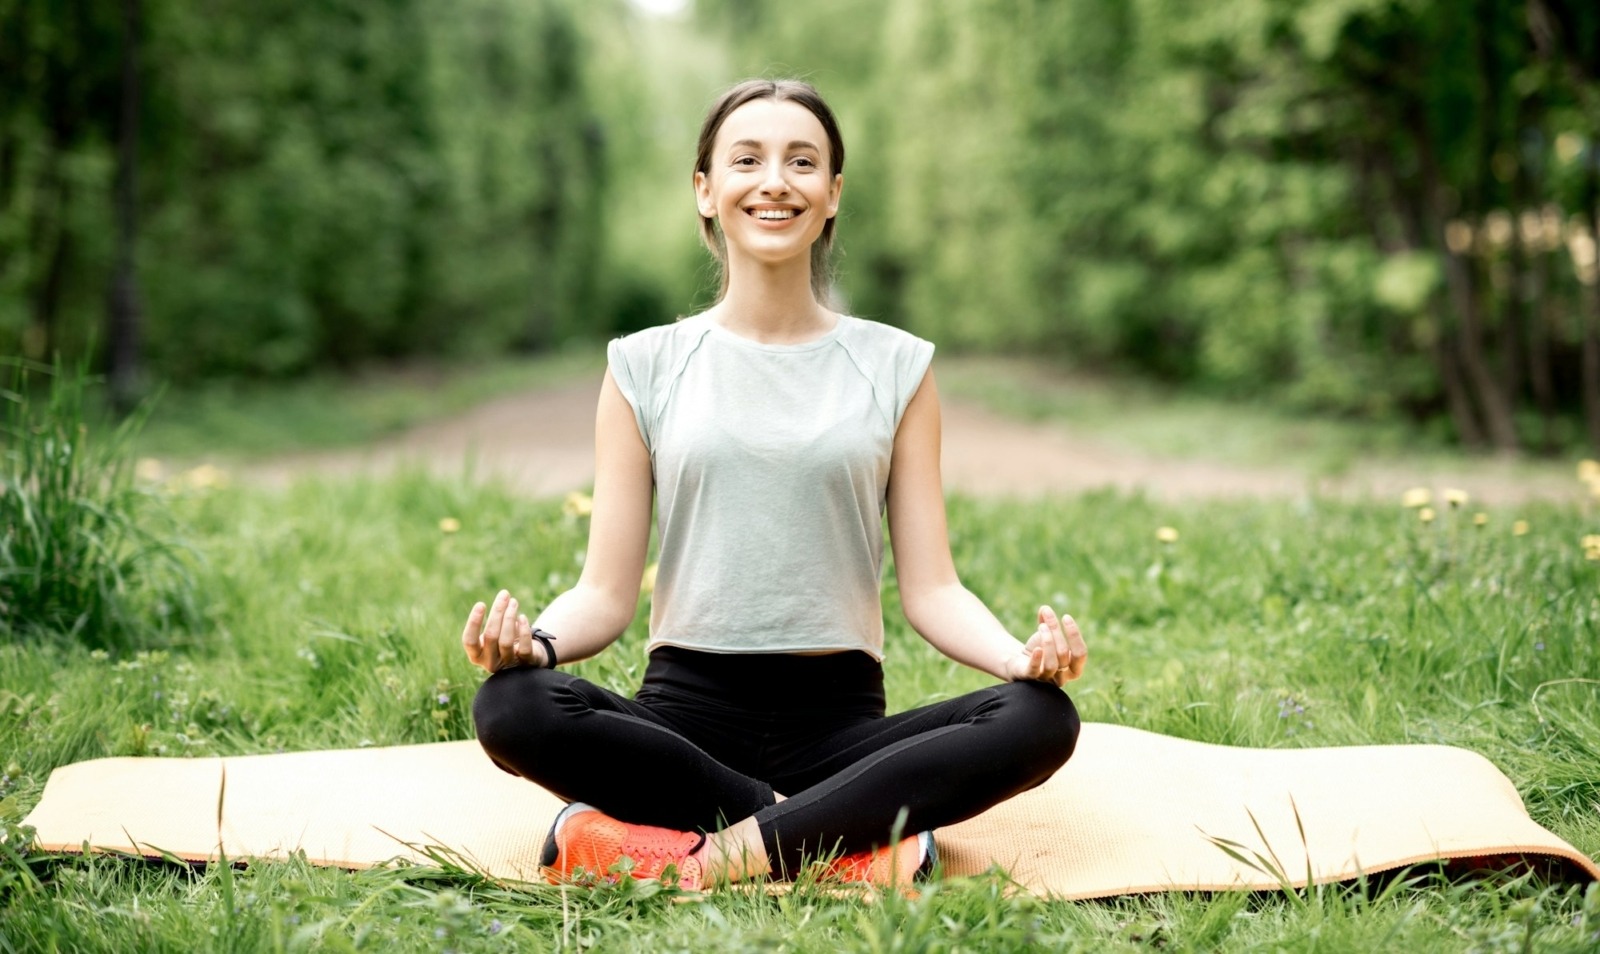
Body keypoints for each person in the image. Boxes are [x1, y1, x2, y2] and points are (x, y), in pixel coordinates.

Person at [464, 78, 1087, 891]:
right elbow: (604, 593)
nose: (775, 181)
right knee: (511, 706)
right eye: (747, 159)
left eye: (803, 162)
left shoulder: (898, 367)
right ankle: (843, 834)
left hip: (840, 723)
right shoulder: (641, 366)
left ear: (832, 195)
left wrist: (1020, 659)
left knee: (1042, 719)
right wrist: (534, 645)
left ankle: (707, 850)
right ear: (706, 189)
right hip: (683, 720)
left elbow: (932, 589)